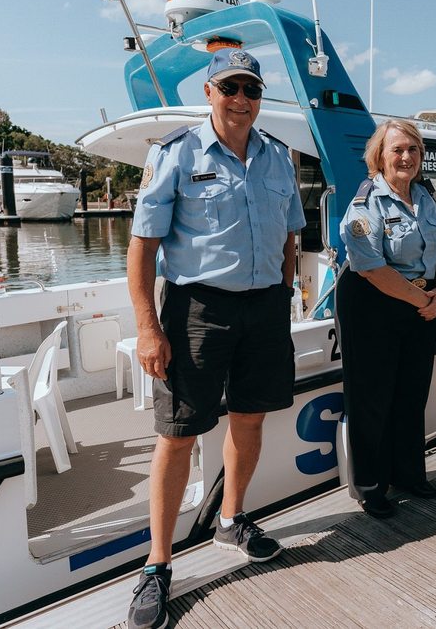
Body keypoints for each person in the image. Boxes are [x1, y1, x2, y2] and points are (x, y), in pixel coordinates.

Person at [125, 48, 306, 629]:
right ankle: (157, 565)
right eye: (230, 87)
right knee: (178, 434)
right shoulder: (174, 153)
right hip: (197, 308)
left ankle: (231, 519)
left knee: (250, 418)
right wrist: (148, 327)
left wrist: (282, 295)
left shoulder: (279, 157)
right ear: (209, 92)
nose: (242, 99)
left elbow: (290, 239)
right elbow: (143, 248)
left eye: (251, 90)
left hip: (264, 309)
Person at [337, 120, 436, 519]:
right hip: (373, 303)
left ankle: (408, 474)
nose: (406, 157)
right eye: (397, 150)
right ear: (379, 157)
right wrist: (426, 299)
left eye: (413, 150)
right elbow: (371, 268)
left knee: (411, 393)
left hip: (418, 302)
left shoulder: (425, 197)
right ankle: (371, 486)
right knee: (372, 399)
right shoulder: (366, 203)